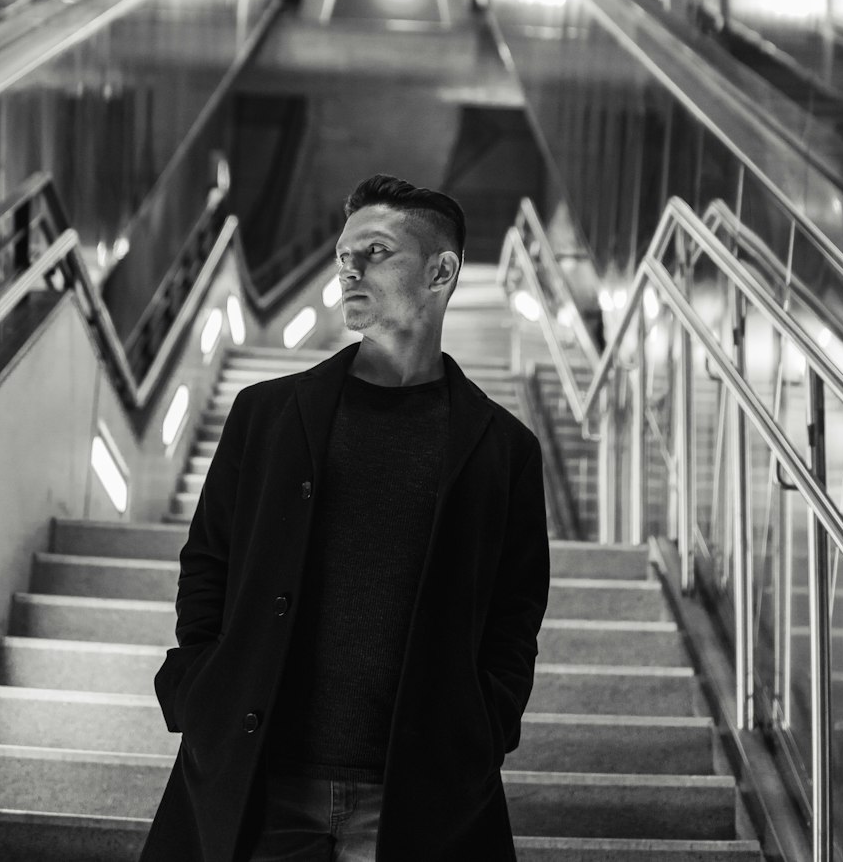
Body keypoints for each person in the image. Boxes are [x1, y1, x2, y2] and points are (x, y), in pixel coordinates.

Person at [140, 174, 550, 862]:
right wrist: (203, 683)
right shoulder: (267, 416)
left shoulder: (503, 449)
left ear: (440, 271)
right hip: (261, 783)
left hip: (417, 796)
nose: (348, 271)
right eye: (342, 256)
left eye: (377, 252)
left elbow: (514, 615)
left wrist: (485, 724)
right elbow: (207, 563)